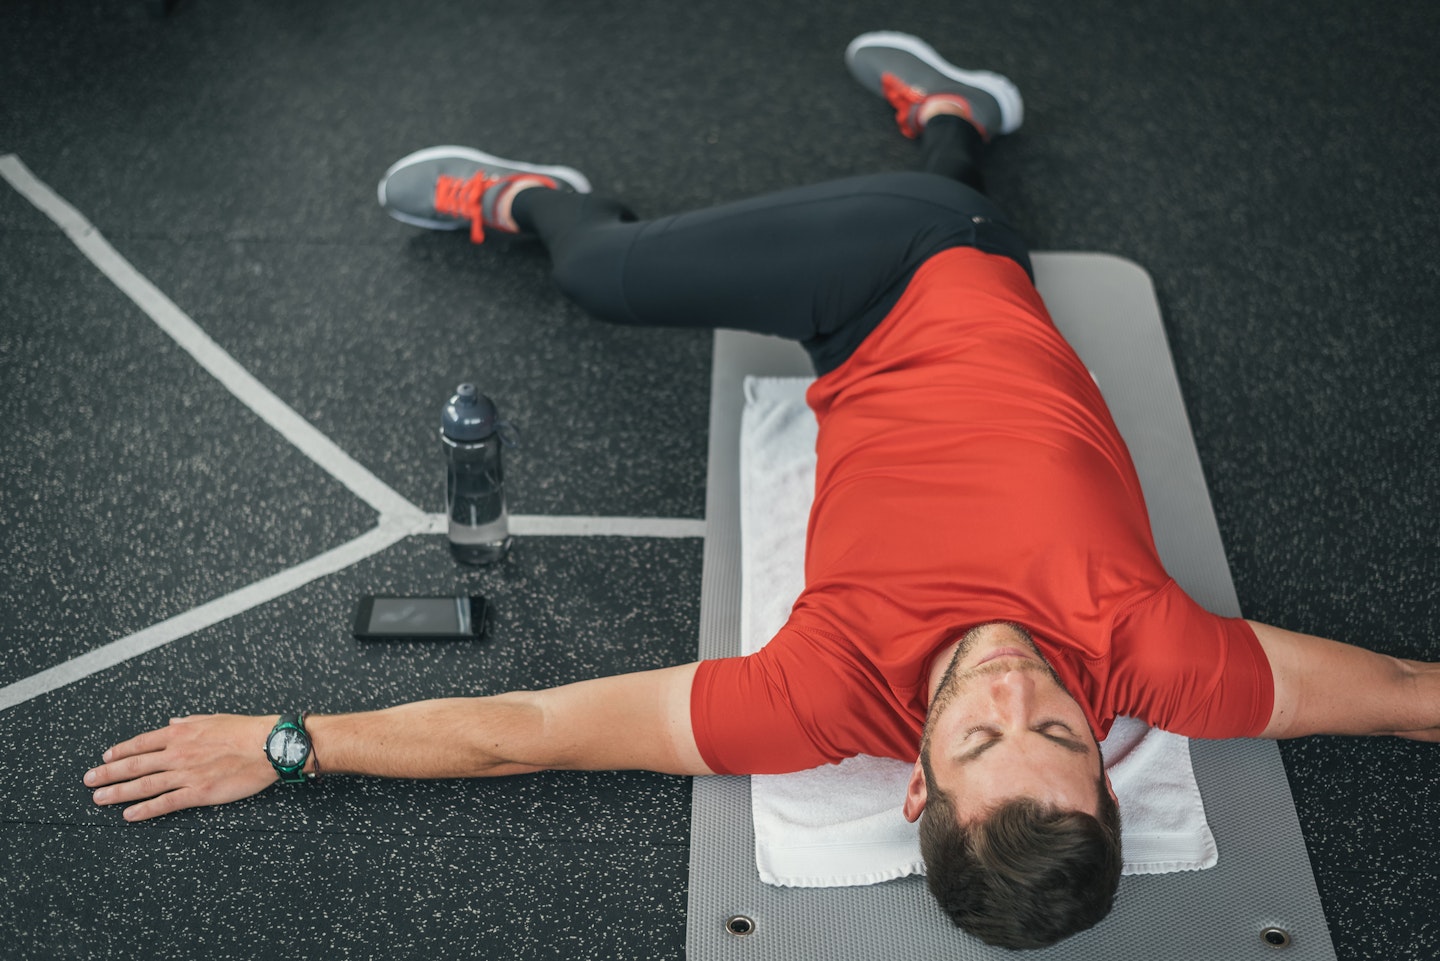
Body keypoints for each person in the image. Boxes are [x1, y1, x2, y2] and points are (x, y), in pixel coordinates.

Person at [83, 32, 1440, 950]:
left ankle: (956, 114)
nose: (1018, 689)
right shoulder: (1164, 657)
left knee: (613, 282)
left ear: (913, 784)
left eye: (980, 738)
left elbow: (534, 726)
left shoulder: (820, 697)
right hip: (918, 264)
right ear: (1107, 747)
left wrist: (286, 742)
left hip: (860, 335)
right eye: (1067, 731)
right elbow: (1404, 692)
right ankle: (577, 196)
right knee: (607, 272)